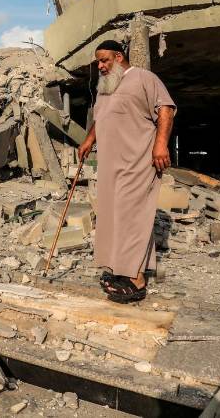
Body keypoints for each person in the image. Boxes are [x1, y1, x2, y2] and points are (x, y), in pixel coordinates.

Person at [77, 39, 175, 304]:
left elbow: (165, 109)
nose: (100, 66)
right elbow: (103, 117)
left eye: (104, 60)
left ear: (119, 57)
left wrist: (161, 144)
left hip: (139, 160)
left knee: (133, 216)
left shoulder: (143, 77)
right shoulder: (106, 87)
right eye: (98, 62)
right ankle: (120, 269)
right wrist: (89, 140)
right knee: (113, 216)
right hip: (111, 164)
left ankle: (136, 280)